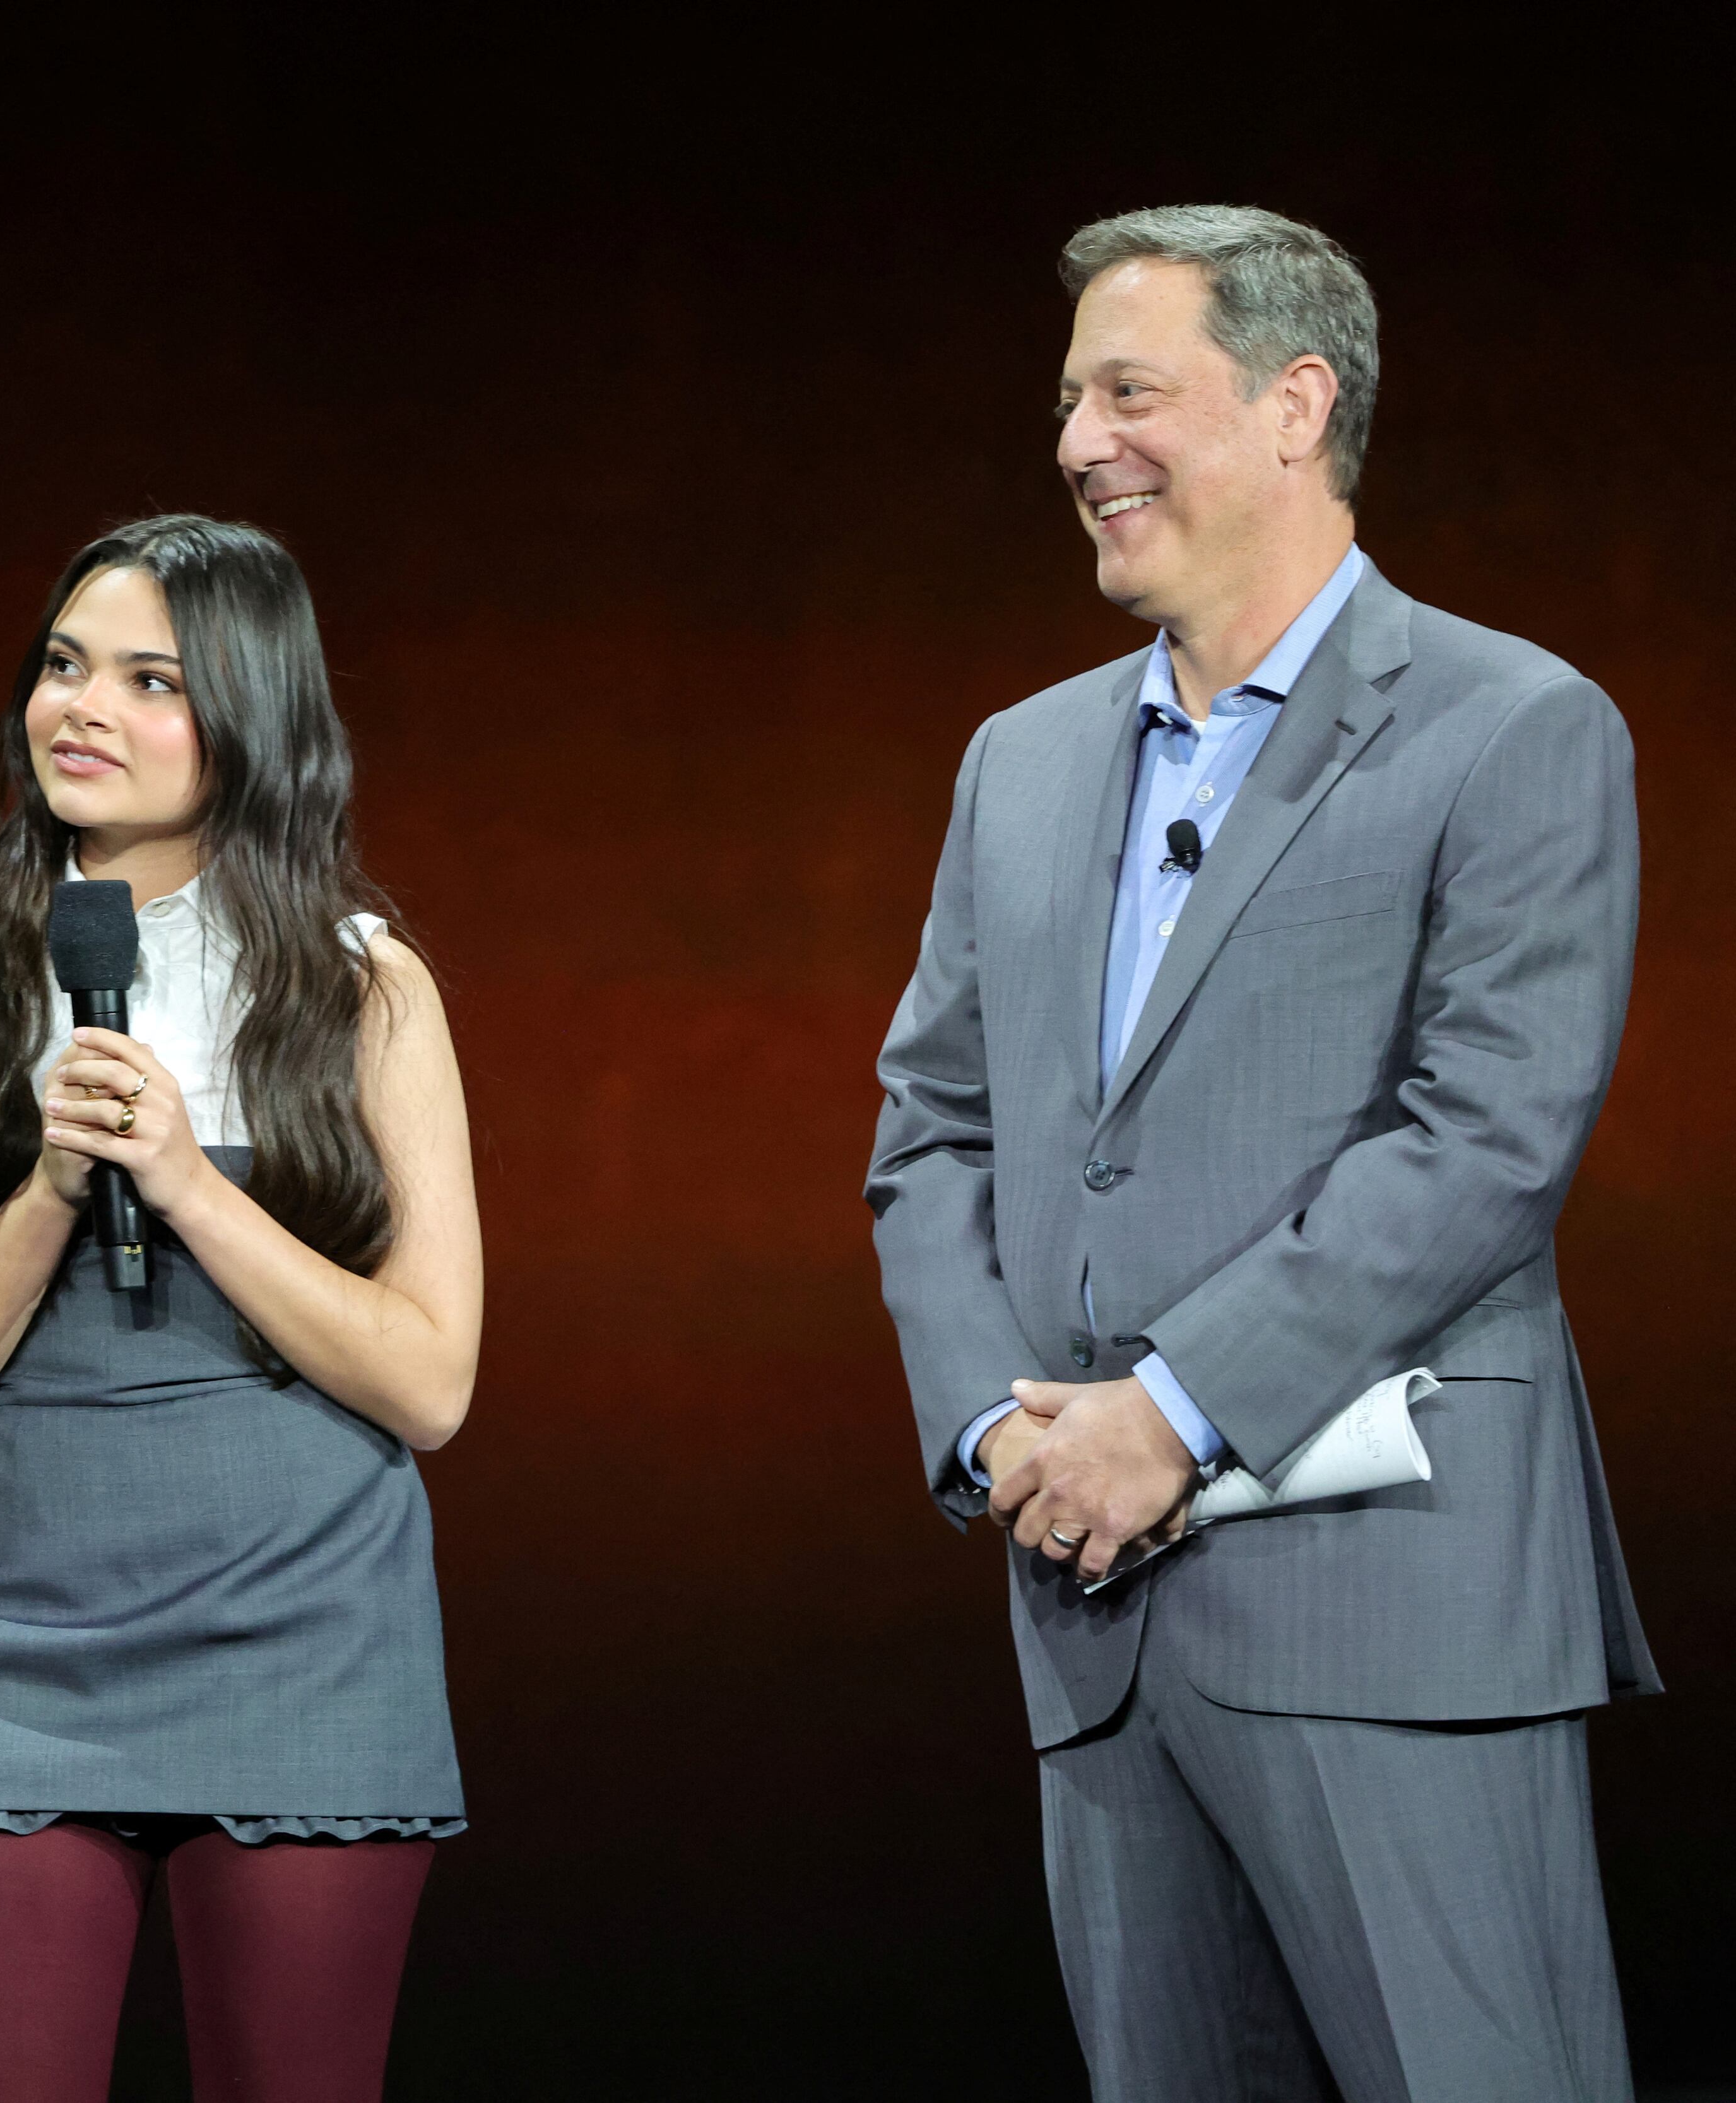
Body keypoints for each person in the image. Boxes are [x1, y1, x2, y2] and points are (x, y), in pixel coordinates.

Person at [868, 204, 1656, 2100]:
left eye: (1129, 389)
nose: (1076, 443)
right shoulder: (1022, 760)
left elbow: (1488, 1138)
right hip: (1091, 1614)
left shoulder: (1517, 726)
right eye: (1068, 399)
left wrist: (1171, 1407)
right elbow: (931, 1131)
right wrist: (1003, 1429)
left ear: (1297, 405)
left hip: (1391, 1604)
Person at [0, 517, 477, 2102]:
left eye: (148, 679)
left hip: (308, 1635)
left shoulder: (363, 985)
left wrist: (188, 1178)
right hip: (16, 1650)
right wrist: (51, 1187)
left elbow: (432, 1379)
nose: (82, 708)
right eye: (62, 666)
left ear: (248, 715)